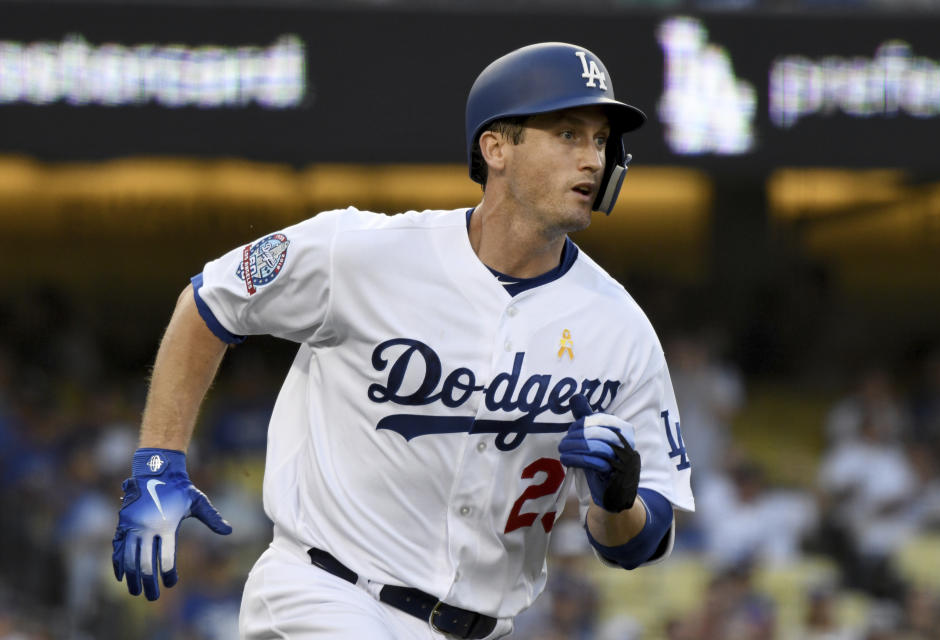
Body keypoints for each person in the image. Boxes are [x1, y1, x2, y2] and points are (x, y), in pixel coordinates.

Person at [111, 42, 695, 639]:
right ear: (496, 147)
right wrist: (160, 463)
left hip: (483, 626)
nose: (592, 159)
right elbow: (211, 300)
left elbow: (639, 546)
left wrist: (618, 504)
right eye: (568, 134)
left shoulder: (620, 328)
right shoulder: (361, 251)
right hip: (325, 593)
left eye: (600, 141)